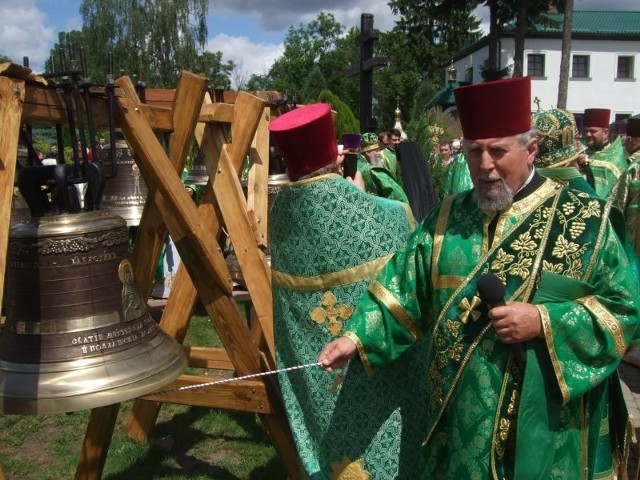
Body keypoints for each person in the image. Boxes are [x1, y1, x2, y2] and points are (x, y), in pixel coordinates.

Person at [319, 76, 640, 479]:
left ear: (532, 150)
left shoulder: (583, 220)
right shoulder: (446, 218)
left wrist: (542, 321)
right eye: (474, 151)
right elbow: (405, 284)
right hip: (458, 417)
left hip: (541, 425)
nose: (485, 166)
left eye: (498, 151)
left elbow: (622, 310)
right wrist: (354, 338)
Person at [268, 103, 427, 479]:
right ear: (335, 155)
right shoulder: (389, 214)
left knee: (336, 446)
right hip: (379, 371)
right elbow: (412, 283)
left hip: (320, 365)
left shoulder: (279, 218)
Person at [578, 108, 627, 197]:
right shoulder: (581, 155)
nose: (588, 134)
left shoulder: (615, 160)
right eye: (586, 131)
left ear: (605, 133)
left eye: (593, 131)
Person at [357, 132, 410, 204]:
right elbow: (398, 196)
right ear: (368, 153)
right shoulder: (374, 171)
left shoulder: (355, 166)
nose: (379, 153)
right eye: (376, 150)